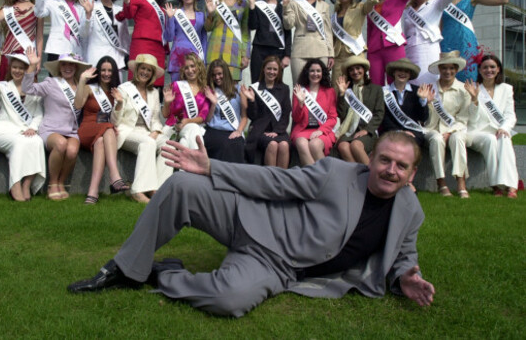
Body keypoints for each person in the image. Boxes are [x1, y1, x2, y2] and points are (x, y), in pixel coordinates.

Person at [67, 131, 435, 318]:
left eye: (401, 166)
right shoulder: (337, 172)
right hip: (251, 219)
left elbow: (405, 252)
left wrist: (406, 277)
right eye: (385, 160)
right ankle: (124, 268)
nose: (391, 170)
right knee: (181, 185)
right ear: (370, 158)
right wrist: (212, 168)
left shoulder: (410, 209)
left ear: (412, 172)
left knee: (228, 300)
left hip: (277, 266)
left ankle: (161, 274)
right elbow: (276, 182)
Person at [22, 50, 91, 200]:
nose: (67, 67)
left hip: (71, 131)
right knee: (61, 144)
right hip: (50, 129)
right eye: (64, 64)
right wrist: (32, 66)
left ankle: (61, 182)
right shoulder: (50, 83)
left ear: (76, 68)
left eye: (71, 65)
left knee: (72, 150)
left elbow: (78, 105)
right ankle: (52, 184)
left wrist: (81, 82)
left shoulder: (83, 87)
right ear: (59, 67)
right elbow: (27, 89)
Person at [0, 48, 45, 202]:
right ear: (10, 68)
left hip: (25, 131)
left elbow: (38, 114)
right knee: (20, 143)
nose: (18, 71)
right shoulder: (3, 87)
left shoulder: (33, 90)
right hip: (3, 131)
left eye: (22, 68)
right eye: (15, 67)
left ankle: (26, 185)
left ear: (27, 70)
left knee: (37, 141)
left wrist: (33, 128)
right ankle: (15, 185)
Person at [437, 0, 514, 82]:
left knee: (468, 79)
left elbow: (502, 0)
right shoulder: (443, 2)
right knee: (447, 80)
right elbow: (439, 27)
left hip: (466, 44)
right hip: (446, 44)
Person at [111, 54, 173, 204]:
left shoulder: (153, 93)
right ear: (136, 69)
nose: (145, 72)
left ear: (152, 74)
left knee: (169, 146)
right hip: (127, 132)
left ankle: (157, 189)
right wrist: (119, 104)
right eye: (143, 68)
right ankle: (137, 191)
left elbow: (156, 120)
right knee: (148, 143)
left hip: (147, 132)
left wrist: (156, 132)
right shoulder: (124, 89)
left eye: (149, 70)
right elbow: (115, 121)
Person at [74, 56, 130, 204]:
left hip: (103, 133)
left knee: (100, 142)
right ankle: (115, 176)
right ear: (98, 71)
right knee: (109, 128)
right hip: (87, 129)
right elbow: (78, 105)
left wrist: (119, 103)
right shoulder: (89, 88)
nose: (106, 73)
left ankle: (92, 193)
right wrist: (81, 80)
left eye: (110, 70)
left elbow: (115, 121)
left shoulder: (116, 92)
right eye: (103, 70)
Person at [464, 54, 519, 198]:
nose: (489, 70)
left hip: (498, 130)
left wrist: (504, 128)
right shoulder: (474, 88)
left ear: (498, 69)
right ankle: (496, 185)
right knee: (490, 139)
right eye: (485, 67)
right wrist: (475, 100)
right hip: (477, 132)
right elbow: (472, 120)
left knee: (505, 139)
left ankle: (511, 186)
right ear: (480, 70)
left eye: (492, 67)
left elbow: (510, 115)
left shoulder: (506, 89)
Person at [402, 0, 461, 85]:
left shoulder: (436, 4)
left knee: (428, 83)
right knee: (412, 83)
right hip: (411, 49)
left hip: (428, 48)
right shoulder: (407, 10)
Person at [423, 51, 471, 198]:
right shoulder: (430, 88)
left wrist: (450, 132)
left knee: (457, 139)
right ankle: (441, 183)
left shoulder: (464, 90)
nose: (448, 71)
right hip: (432, 129)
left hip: (456, 129)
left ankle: (461, 183)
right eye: (444, 68)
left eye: (451, 68)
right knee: (437, 139)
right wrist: (428, 103)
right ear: (439, 69)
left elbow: (463, 119)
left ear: (456, 70)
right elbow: (427, 120)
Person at [115, 0, 168, 87]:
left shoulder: (161, 9)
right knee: (139, 78)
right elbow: (128, 14)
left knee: (155, 82)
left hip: (158, 48)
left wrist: (166, 51)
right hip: (142, 43)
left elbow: (163, 30)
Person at [282, 0, 334, 81]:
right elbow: (288, 25)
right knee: (299, 87)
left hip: (321, 50)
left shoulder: (325, 6)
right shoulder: (295, 3)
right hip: (300, 51)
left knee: (321, 88)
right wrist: (286, 5)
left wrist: (331, 54)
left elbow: (327, 31)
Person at [328, 0, 378, 86]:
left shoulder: (360, 8)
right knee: (337, 86)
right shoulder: (334, 14)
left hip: (354, 51)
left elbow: (373, 0)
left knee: (357, 85)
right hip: (338, 55)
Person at [242, 56, 291, 168]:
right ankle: (270, 181)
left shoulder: (284, 89)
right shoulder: (255, 88)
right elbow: (253, 116)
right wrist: (252, 100)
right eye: (269, 68)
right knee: (273, 144)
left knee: (284, 145)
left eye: (275, 69)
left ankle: (282, 180)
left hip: (279, 130)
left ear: (279, 71)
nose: (271, 72)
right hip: (261, 130)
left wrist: (277, 131)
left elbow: (286, 112)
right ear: (263, 69)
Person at [335, 56, 385, 165]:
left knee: (356, 145)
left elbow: (379, 113)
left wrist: (367, 130)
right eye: (351, 70)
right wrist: (342, 95)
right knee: (343, 146)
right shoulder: (347, 91)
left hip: (368, 131)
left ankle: (372, 177)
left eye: (358, 68)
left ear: (364, 70)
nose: (355, 72)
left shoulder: (376, 89)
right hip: (350, 131)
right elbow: (342, 115)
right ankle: (359, 177)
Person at [205, 0, 251, 80]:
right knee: (212, 91)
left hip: (233, 52)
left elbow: (245, 32)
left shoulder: (244, 3)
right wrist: (210, 14)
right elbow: (207, 28)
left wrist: (245, 55)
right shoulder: (213, 0)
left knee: (232, 93)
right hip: (214, 51)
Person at [243, 0, 292, 81]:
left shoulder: (282, 6)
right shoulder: (258, 5)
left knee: (275, 86)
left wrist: (287, 55)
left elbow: (288, 32)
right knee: (257, 84)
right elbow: (253, 25)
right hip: (259, 51)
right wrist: (251, 6)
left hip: (277, 52)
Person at [34, 0, 89, 64]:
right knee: (55, 79)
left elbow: (84, 32)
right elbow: (39, 13)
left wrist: (88, 14)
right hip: (56, 49)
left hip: (75, 51)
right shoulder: (53, 2)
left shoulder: (81, 6)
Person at [291, 58, 337, 166]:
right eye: (312, 71)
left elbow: (332, 117)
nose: (315, 74)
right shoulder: (299, 90)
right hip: (303, 129)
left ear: (323, 73)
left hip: (323, 130)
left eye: (318, 71)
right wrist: (301, 103)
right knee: (301, 143)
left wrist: (321, 130)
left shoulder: (330, 92)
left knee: (315, 145)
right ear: (307, 73)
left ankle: (324, 176)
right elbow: (296, 118)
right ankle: (315, 178)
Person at [80, 0, 130, 70]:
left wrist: (127, 55)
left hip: (117, 61)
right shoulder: (91, 9)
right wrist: (88, 15)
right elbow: (83, 34)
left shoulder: (120, 10)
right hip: (96, 60)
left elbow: (125, 37)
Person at [379, 58, 431, 150]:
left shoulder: (417, 91)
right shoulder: (384, 91)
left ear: (410, 75)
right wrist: (399, 131)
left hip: (413, 132)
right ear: (394, 72)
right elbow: (384, 117)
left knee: (408, 145)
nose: (403, 73)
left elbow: (423, 118)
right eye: (400, 70)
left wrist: (423, 100)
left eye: (406, 71)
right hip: (390, 132)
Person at [203, 59, 248, 163]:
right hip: (214, 130)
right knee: (219, 143)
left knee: (236, 144)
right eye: (214, 75)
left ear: (226, 73)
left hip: (232, 129)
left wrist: (239, 131)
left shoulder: (239, 90)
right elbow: (207, 120)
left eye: (219, 74)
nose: (217, 78)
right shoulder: (211, 91)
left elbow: (244, 117)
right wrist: (213, 103)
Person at [162, 54, 210, 151]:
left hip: (192, 126)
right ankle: (196, 162)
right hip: (174, 127)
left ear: (199, 67)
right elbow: (165, 114)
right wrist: (167, 103)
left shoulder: (205, 91)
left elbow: (203, 117)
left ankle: (192, 164)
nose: (190, 70)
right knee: (191, 134)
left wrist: (187, 121)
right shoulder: (176, 86)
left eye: (193, 66)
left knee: (187, 138)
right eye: (186, 68)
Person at [164, 0, 207, 81]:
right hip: (177, 58)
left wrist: (204, 60)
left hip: (195, 60)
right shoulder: (175, 13)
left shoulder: (201, 15)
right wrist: (170, 18)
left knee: (195, 92)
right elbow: (168, 37)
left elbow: (204, 40)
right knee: (178, 92)